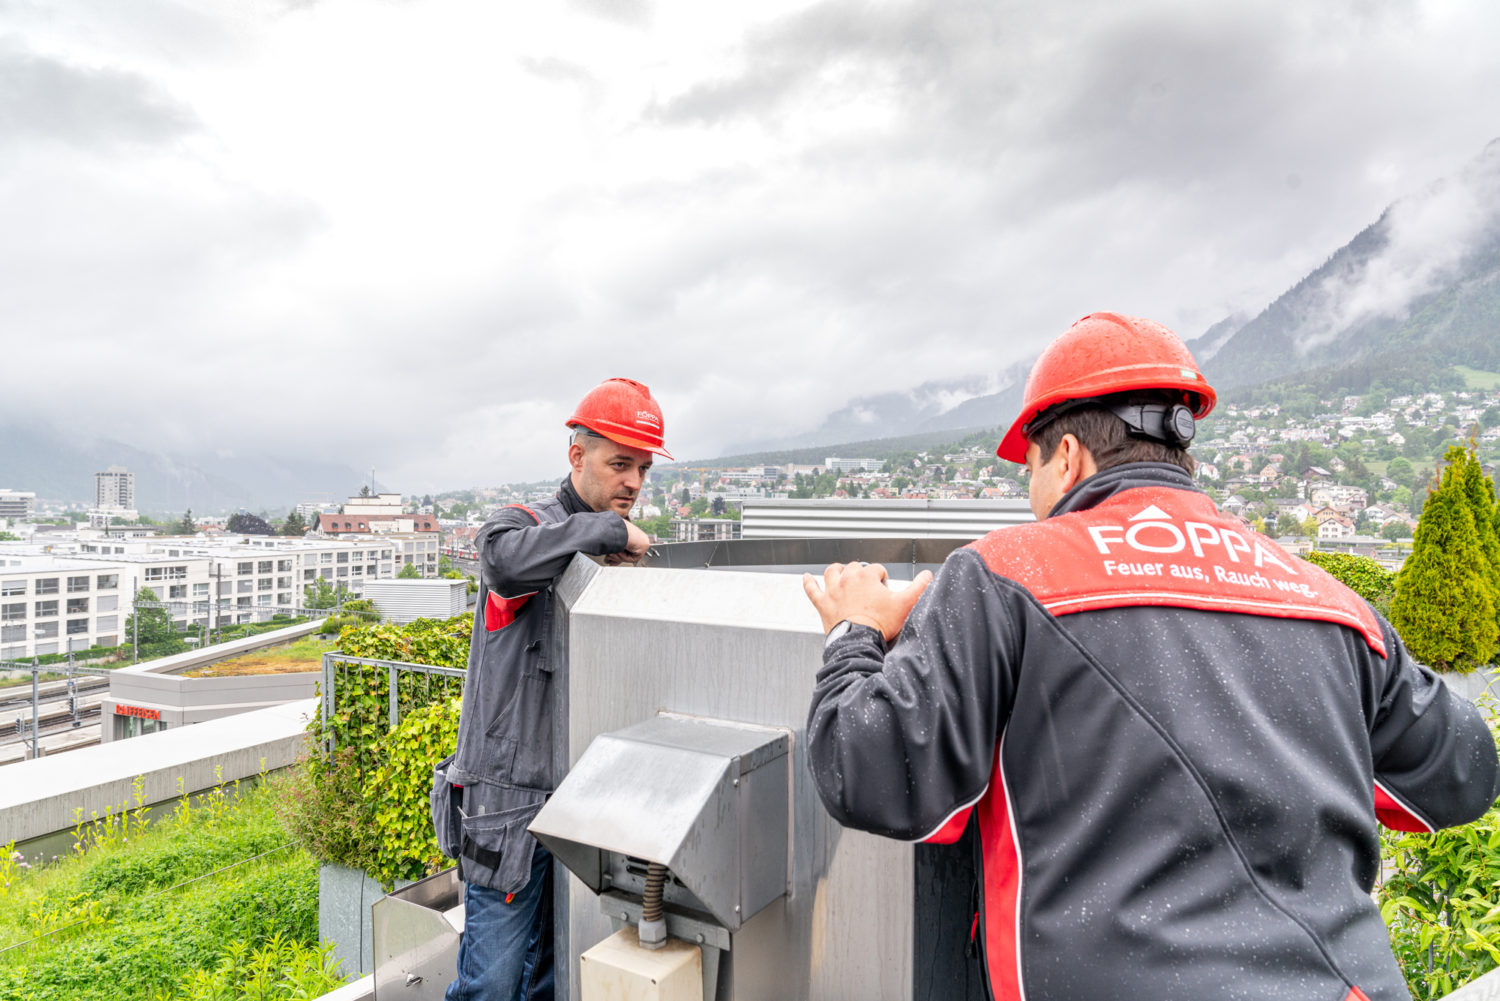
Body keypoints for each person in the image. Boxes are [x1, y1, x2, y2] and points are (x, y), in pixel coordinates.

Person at [801, 312, 1499, 1001]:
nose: (1035, 498)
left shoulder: (1004, 574)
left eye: (1032, 472)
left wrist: (854, 629)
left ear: (1067, 455)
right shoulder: (1327, 598)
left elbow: (869, 768)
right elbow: (1465, 769)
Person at [433, 378, 670, 1001]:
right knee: (492, 982)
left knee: (551, 980)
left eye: (643, 469)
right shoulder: (527, 529)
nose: (634, 484)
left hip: (582, 800)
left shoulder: (608, 554)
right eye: (620, 464)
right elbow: (504, 561)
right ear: (576, 455)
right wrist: (610, 535)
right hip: (508, 807)